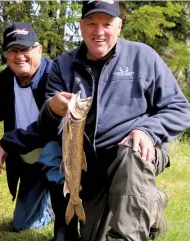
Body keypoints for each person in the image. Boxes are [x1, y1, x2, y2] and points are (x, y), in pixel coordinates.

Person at [38, 1, 190, 241]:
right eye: (91, 24)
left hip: (134, 155)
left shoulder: (143, 57)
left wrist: (147, 130)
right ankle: (151, 205)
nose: (99, 32)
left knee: (133, 150)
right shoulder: (63, 66)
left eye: (107, 24)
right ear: (81, 26)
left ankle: (129, 230)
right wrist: (52, 109)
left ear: (119, 26)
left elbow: (181, 108)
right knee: (95, 236)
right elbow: (45, 128)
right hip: (92, 169)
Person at [0, 22, 79, 241]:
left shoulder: (55, 74)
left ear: (39, 50)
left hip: (58, 153)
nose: (19, 56)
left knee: (52, 151)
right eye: (13, 50)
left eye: (25, 49)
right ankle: (49, 206)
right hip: (27, 157)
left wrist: (8, 141)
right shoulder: (3, 80)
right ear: (6, 54)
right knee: (20, 224)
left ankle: (64, 228)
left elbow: (50, 128)